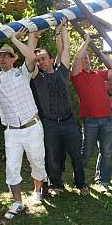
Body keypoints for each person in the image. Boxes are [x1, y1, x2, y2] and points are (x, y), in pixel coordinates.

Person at [0, 28, 47, 220]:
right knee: (11, 167)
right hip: (12, 132)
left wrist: (14, 39)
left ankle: (37, 191)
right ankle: (17, 201)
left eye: (7, 56)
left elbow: (31, 57)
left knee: (37, 162)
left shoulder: (23, 72)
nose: (3, 59)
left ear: (13, 59)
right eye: (0, 57)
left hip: (32, 127)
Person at [29, 22, 88, 196]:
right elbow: (29, 58)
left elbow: (65, 48)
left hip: (69, 121)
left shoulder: (61, 71)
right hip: (50, 124)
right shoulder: (36, 77)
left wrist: (61, 29)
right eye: (37, 60)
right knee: (53, 156)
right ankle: (57, 184)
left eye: (43, 59)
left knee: (76, 155)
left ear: (50, 59)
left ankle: (81, 183)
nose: (40, 62)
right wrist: (33, 37)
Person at [70, 34, 112, 192]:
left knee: (106, 151)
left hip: (107, 119)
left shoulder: (99, 73)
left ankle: (103, 180)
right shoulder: (76, 76)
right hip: (90, 120)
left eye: (86, 58)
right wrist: (86, 42)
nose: (84, 60)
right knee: (87, 152)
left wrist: (105, 56)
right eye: (82, 59)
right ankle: (78, 179)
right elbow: (77, 59)